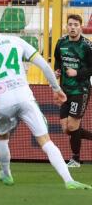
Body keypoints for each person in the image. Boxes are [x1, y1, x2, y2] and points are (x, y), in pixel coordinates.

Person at [0, 13, 91, 189]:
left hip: (1, 99)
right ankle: (69, 180)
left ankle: (6, 174)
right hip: (24, 96)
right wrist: (57, 89)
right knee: (46, 140)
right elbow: (43, 64)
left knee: (2, 136)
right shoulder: (15, 41)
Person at [54, 14, 92, 168]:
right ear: (66, 26)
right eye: (70, 24)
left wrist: (77, 73)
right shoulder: (61, 42)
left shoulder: (87, 46)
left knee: (72, 126)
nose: (73, 27)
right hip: (65, 90)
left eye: (76, 25)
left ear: (81, 27)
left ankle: (75, 159)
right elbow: (58, 59)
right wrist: (57, 70)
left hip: (80, 90)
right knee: (66, 128)